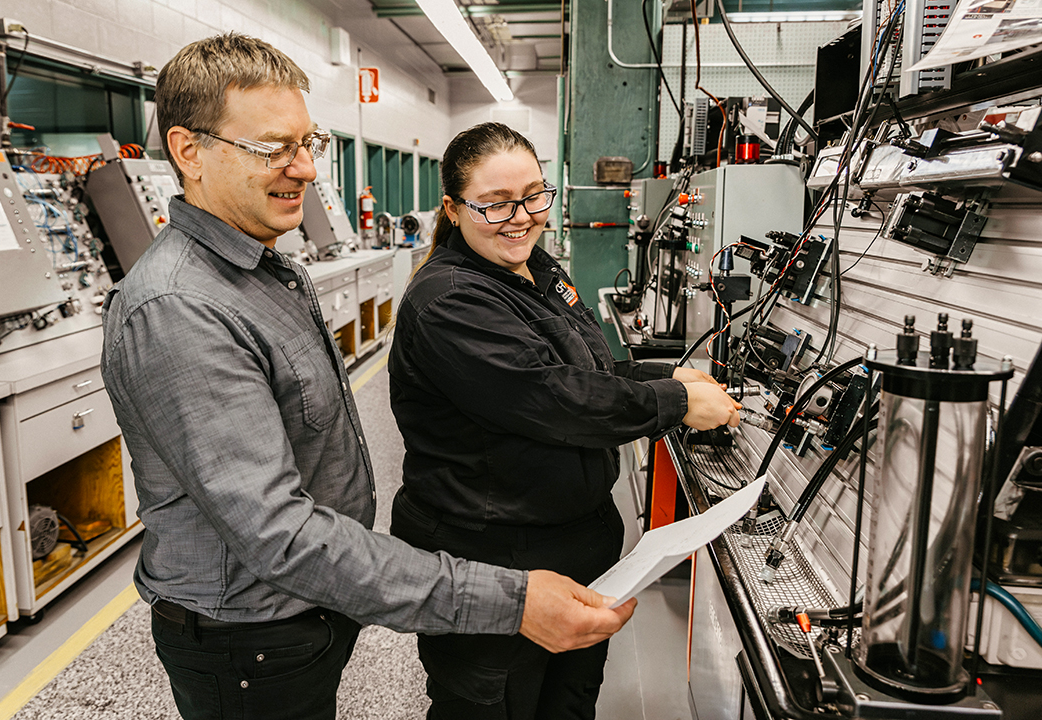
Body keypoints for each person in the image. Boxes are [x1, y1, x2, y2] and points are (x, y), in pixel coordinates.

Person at [100, 35, 635, 720]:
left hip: (307, 613)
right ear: (187, 151)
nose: (303, 169)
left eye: (307, 143)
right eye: (273, 148)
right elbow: (280, 535)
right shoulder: (180, 310)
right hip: (249, 642)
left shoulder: (269, 270)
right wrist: (508, 600)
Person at [388, 122, 741, 720]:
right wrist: (673, 404)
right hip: (494, 553)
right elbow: (552, 397)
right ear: (452, 207)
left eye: (533, 195)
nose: (520, 216)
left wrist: (667, 378)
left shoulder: (537, 269)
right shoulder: (450, 300)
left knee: (568, 700)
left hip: (572, 538)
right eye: (495, 203)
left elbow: (587, 368)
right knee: (496, 703)